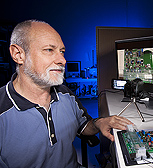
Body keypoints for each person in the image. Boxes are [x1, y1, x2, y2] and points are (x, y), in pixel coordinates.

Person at [0, 20, 133, 168]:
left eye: (62, 51)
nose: (62, 60)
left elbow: (83, 127)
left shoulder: (66, 94)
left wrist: (99, 123)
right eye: (49, 50)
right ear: (18, 54)